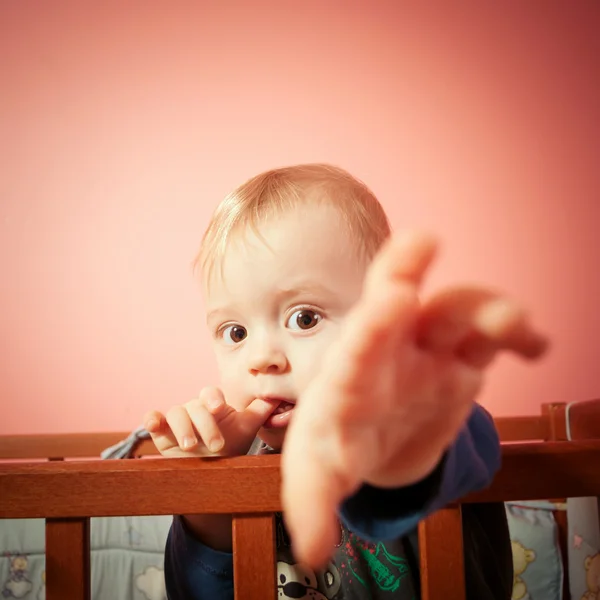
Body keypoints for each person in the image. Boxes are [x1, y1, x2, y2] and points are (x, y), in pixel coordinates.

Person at [144, 164, 548, 599]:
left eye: (304, 318)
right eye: (235, 333)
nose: (260, 359)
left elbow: (468, 437)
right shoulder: (242, 456)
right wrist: (211, 495)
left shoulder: (426, 421)